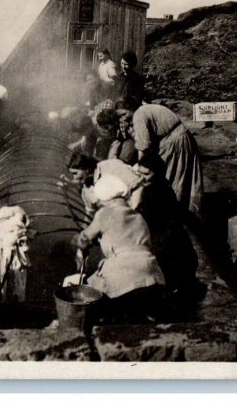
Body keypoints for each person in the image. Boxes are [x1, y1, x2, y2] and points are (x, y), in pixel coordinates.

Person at [73, 175, 166, 320]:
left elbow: (84, 238)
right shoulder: (138, 216)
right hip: (152, 274)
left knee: (93, 296)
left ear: (104, 197)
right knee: (140, 317)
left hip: (124, 273)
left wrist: (80, 246)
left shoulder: (106, 212)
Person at [130, 104, 204, 218]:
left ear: (130, 109)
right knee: (187, 181)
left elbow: (143, 146)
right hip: (183, 137)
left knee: (173, 181)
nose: (123, 118)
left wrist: (139, 166)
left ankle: (176, 217)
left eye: (123, 114)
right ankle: (190, 214)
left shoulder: (138, 114)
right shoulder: (146, 108)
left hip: (174, 144)